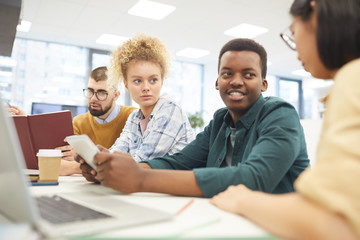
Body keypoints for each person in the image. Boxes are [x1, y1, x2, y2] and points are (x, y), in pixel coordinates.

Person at [79, 37, 309, 198]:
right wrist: (110, 170)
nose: (236, 81)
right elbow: (178, 162)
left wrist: (139, 178)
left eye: (249, 75)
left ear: (264, 84)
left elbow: (255, 178)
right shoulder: (220, 121)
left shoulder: (280, 114)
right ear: (217, 82)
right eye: (227, 74)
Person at [210, 0, 360, 239]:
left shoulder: (352, 80)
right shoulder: (219, 120)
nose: (295, 47)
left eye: (292, 33)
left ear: (315, 13)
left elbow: (335, 223)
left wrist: (245, 200)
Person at [105, 34, 194, 162]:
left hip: (175, 181)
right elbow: (117, 151)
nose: (146, 87)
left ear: (162, 81)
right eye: (137, 81)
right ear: (126, 85)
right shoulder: (134, 118)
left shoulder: (170, 109)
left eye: (153, 80)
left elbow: (142, 161)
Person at [58, 66, 136, 175]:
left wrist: (82, 160)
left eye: (101, 93)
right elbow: (67, 160)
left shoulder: (134, 117)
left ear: (116, 95)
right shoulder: (79, 122)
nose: (93, 98)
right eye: (90, 91)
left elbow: (135, 161)